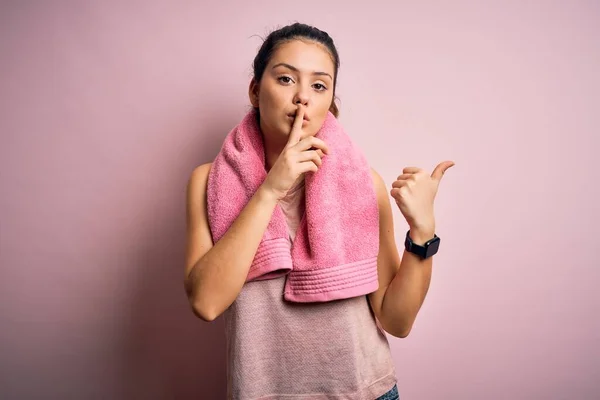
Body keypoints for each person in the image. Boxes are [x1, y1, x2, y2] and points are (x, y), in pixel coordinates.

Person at [184, 22, 453, 400]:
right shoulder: (208, 182)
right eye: (285, 79)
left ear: (331, 105)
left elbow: (396, 319)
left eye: (319, 85)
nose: (302, 99)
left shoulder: (364, 183)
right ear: (255, 91)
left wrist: (423, 233)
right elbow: (206, 302)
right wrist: (270, 190)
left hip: (366, 393)